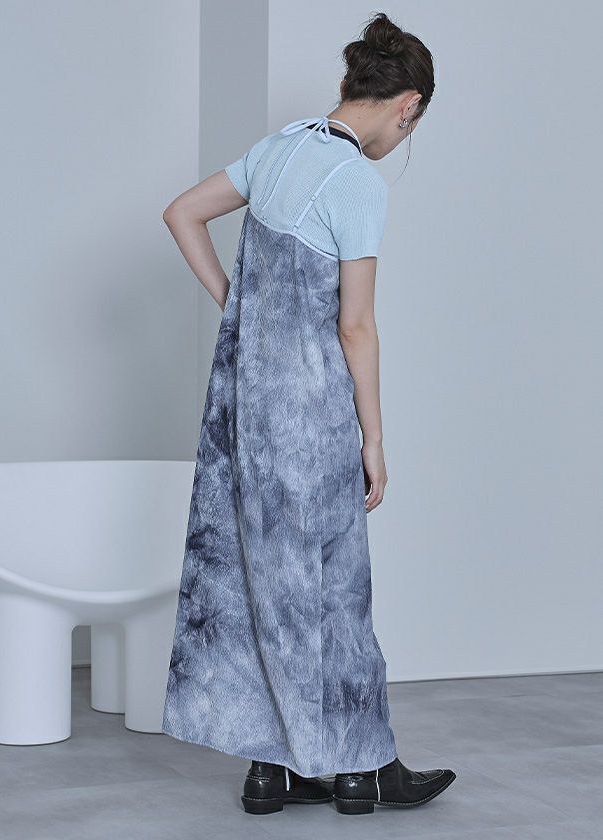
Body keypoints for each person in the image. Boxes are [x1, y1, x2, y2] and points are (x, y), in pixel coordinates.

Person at [160, 11, 456, 816]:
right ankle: (362, 771)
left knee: (256, 580)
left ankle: (271, 771)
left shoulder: (276, 150)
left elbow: (181, 212)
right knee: (333, 590)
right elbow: (356, 327)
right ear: (407, 106)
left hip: (243, 412)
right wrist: (374, 438)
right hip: (311, 416)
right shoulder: (355, 183)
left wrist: (239, 305)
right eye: (413, 125)